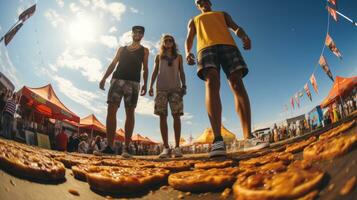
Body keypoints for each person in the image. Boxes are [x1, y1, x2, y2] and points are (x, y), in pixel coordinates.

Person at [185, 0, 268, 157]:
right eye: (198, 1)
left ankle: (248, 137)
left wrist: (244, 36)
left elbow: (236, 28)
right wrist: (188, 51)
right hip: (205, 48)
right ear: (197, 5)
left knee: (237, 83)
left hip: (228, 46)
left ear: (210, 2)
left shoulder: (222, 14)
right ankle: (217, 140)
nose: (201, 2)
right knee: (212, 82)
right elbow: (189, 38)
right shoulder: (194, 20)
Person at [98, 25, 149, 158]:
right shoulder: (122, 49)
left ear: (142, 35)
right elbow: (113, 63)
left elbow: (146, 68)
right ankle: (109, 146)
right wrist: (104, 77)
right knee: (111, 110)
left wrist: (145, 84)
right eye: (135, 31)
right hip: (117, 79)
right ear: (132, 34)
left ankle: (126, 148)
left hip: (134, 82)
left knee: (130, 112)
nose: (138, 33)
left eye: (140, 32)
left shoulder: (145, 50)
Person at [149, 34, 186, 158]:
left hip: (176, 89)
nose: (169, 42)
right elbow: (154, 72)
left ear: (173, 43)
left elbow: (182, 72)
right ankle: (165, 147)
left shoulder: (179, 57)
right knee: (162, 117)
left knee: (177, 116)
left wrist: (184, 85)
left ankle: (177, 147)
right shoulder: (159, 57)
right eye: (166, 40)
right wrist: (150, 86)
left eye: (171, 40)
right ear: (163, 43)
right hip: (161, 89)